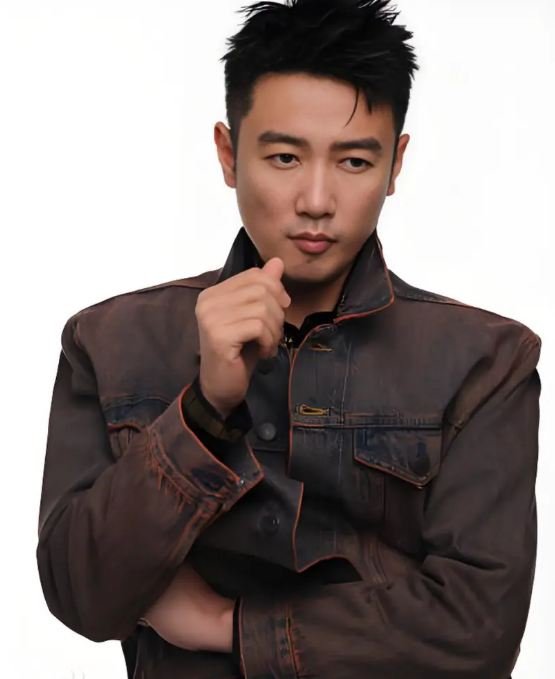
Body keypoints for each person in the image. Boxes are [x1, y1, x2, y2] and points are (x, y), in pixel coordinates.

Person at [36, 1, 542, 677]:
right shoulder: (111, 341)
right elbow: (81, 597)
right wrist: (203, 411)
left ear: (396, 164)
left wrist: (226, 624)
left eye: (354, 161)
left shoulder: (486, 360)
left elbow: (479, 630)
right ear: (228, 154)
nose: (315, 200)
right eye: (283, 156)